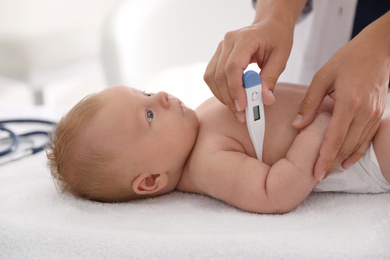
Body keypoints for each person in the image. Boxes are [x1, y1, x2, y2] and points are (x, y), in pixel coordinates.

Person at [47, 83, 390, 214]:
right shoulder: (206, 162)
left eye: (145, 91)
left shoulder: (200, 116)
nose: (162, 96)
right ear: (151, 180)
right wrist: (319, 130)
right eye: (149, 114)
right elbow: (274, 193)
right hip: (360, 151)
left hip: (361, 104)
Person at [203, 0, 390, 182]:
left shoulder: (203, 120)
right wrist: (275, 17)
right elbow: (272, 194)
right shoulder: (206, 158)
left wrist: (382, 44)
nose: (171, 97)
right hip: (350, 148)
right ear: (170, 179)